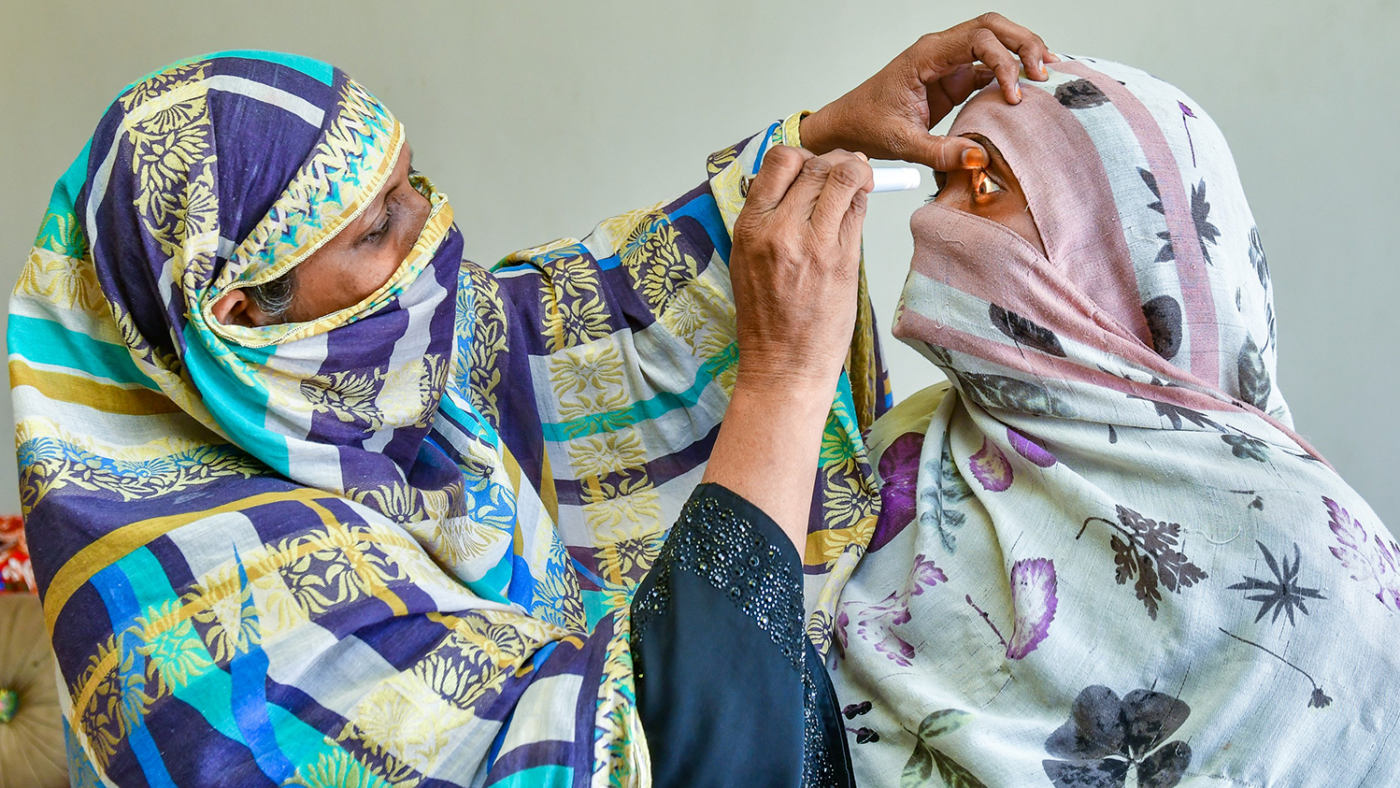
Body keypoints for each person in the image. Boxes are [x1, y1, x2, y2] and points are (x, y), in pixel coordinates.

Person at [9, 16, 1056, 787]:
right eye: (379, 229)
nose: (437, 235)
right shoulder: (205, 632)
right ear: (240, 314)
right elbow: (662, 755)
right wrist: (780, 378)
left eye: (416, 182)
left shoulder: (340, 381)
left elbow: (545, 320)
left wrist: (821, 135)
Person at [829, 56, 1400, 786]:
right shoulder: (905, 455)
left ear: (1118, 250)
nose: (930, 219)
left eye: (986, 182)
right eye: (943, 179)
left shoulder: (1320, 567)